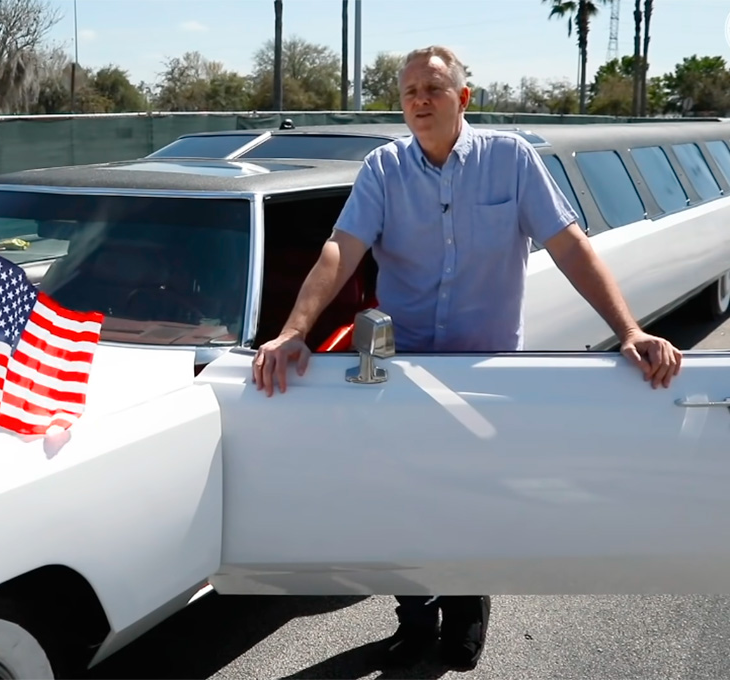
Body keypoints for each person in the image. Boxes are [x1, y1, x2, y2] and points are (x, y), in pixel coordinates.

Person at [251, 45, 683, 672]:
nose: (419, 102)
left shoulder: (511, 160)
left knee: (473, 494)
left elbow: (569, 245)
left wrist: (629, 330)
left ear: (463, 98)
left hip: (485, 368)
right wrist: (293, 331)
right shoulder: (383, 168)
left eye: (432, 89)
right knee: (402, 495)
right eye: (408, 93)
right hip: (405, 369)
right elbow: (339, 250)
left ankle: (466, 601)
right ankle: (415, 616)